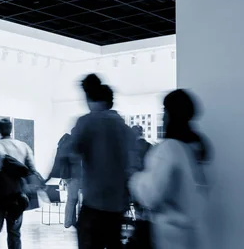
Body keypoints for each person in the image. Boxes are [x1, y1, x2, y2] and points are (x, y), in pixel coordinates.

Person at [129, 89, 210, 249]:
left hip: (167, 234)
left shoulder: (169, 149)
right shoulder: (196, 148)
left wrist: (135, 179)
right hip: (189, 233)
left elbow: (151, 195)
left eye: (164, 110)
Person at [68, 74, 137, 249]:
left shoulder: (87, 122)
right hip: (117, 206)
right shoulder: (125, 129)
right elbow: (132, 167)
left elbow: (70, 154)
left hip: (94, 204)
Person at [0, 118, 39, 249]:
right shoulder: (23, 146)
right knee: (14, 232)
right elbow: (32, 168)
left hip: (0, 195)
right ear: (11, 130)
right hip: (18, 195)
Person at [125, 125, 154, 249]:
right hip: (144, 182)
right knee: (143, 208)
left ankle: (140, 227)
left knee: (138, 208)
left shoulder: (128, 148)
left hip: (133, 182)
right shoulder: (148, 146)